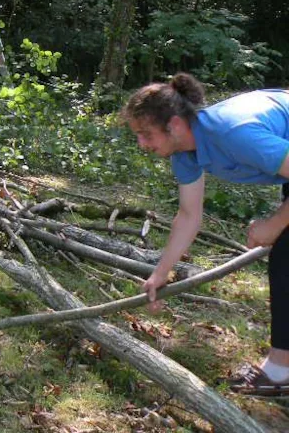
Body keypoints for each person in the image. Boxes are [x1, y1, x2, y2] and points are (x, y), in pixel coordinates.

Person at [124, 73, 289, 395]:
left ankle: (281, 372)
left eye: (146, 134)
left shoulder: (233, 133)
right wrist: (160, 272)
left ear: (173, 124)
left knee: (285, 260)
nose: (141, 144)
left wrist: (274, 224)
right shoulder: (185, 153)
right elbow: (188, 215)